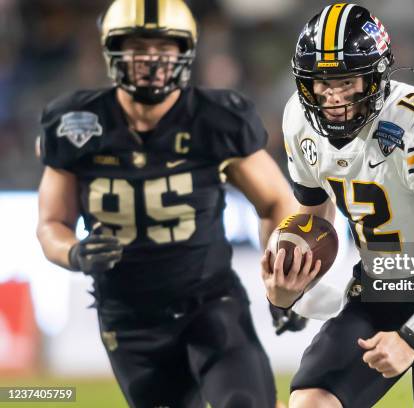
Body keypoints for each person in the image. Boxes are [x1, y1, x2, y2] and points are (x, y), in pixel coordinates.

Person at [36, 0, 297, 407]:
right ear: (112, 49)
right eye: (137, 45)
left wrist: (287, 281)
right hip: (128, 318)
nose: (150, 58)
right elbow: (51, 223)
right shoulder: (75, 123)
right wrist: (72, 252)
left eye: (163, 47)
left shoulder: (215, 119)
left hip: (209, 303)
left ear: (185, 51)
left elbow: (277, 202)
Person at [262, 3, 414, 407]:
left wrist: (412, 336)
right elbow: (314, 216)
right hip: (376, 289)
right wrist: (289, 283)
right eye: (322, 82)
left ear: (375, 77)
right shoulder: (299, 121)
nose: (333, 97)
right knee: (312, 403)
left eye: (346, 80)